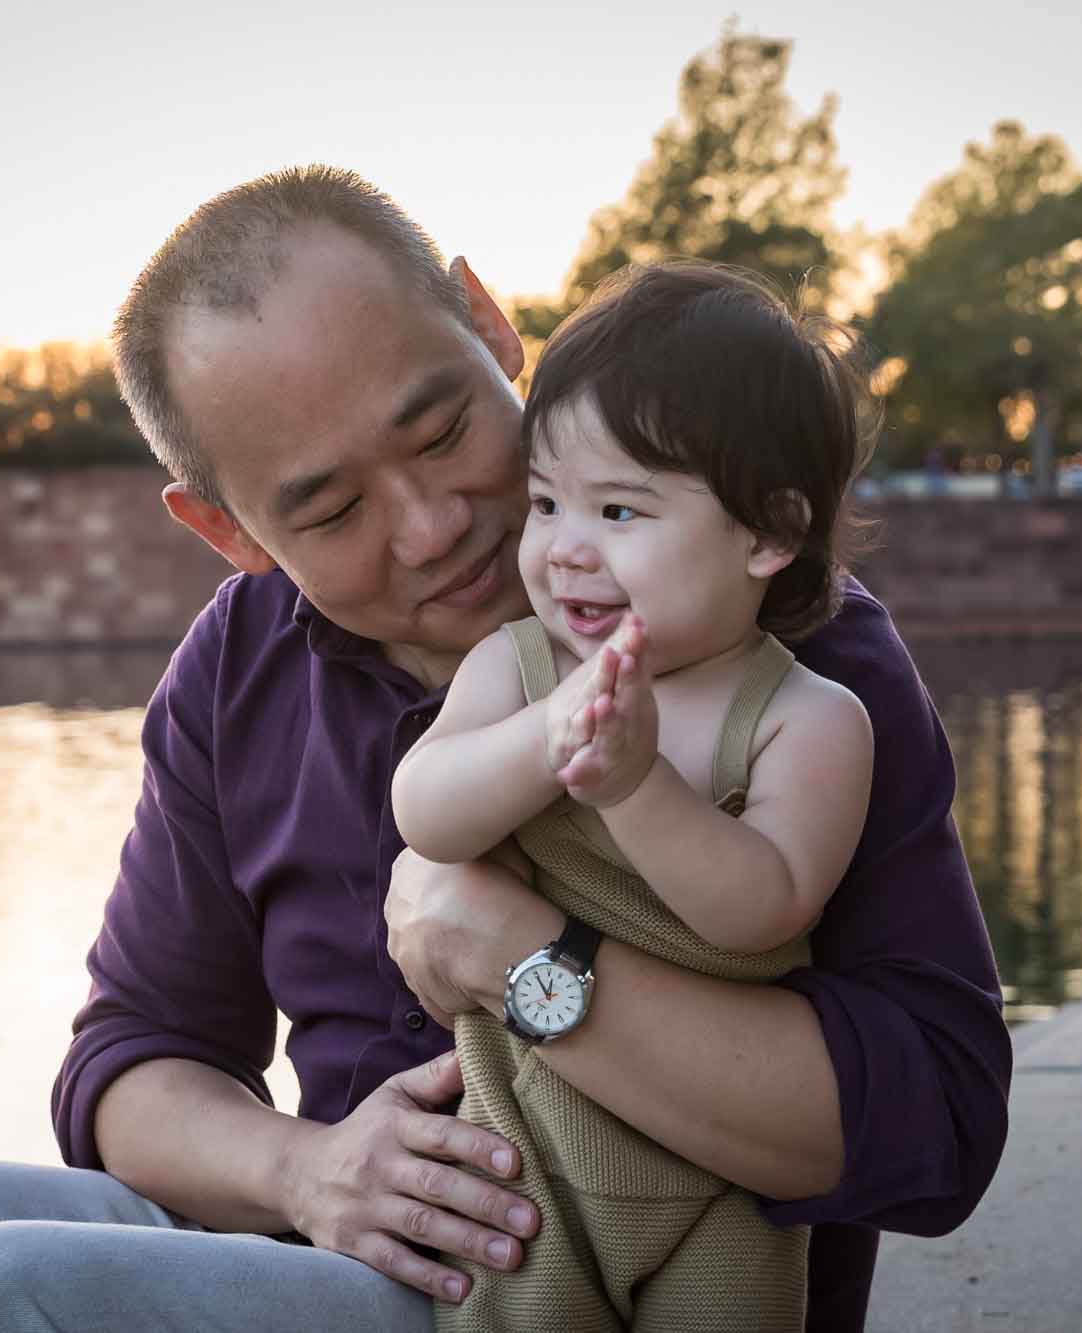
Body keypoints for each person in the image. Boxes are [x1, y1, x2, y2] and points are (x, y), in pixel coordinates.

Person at [0, 166, 1010, 1333]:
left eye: (442, 430)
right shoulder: (240, 667)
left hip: (548, 1291)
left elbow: (938, 1124)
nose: (434, 526)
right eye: (331, 507)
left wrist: (525, 964)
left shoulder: (764, 639)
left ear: (493, 328)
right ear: (228, 531)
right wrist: (309, 1172)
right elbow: (134, 1065)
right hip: (320, 1247)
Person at [392, 261, 875, 1331]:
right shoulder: (516, 671)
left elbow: (762, 909)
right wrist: (543, 743)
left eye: (617, 508)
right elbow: (423, 812)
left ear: (765, 533)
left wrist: (633, 785)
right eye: (545, 502)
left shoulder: (806, 718)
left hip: (718, 1186)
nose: (564, 547)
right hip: (526, 1171)